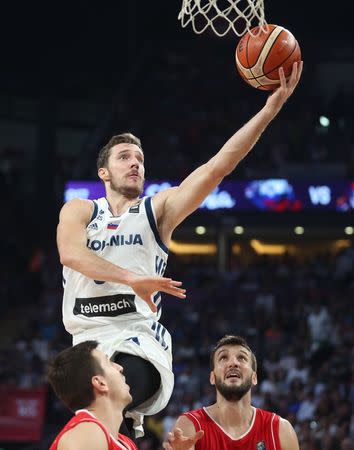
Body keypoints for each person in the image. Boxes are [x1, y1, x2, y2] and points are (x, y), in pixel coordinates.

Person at [56, 62, 303, 436]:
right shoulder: (79, 210)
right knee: (96, 421)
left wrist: (269, 110)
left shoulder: (158, 210)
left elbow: (217, 167)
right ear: (103, 173)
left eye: (139, 159)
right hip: (85, 343)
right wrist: (132, 278)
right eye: (124, 157)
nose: (135, 163)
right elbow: (70, 255)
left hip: (137, 340)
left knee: (98, 408)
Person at [163, 335, 300, 450]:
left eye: (242, 358)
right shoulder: (190, 425)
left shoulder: (280, 430)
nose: (233, 363)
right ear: (212, 378)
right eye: (223, 358)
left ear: (254, 377)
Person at [48, 340, 137, 450]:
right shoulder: (86, 433)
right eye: (108, 363)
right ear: (100, 383)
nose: (120, 367)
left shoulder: (126, 443)